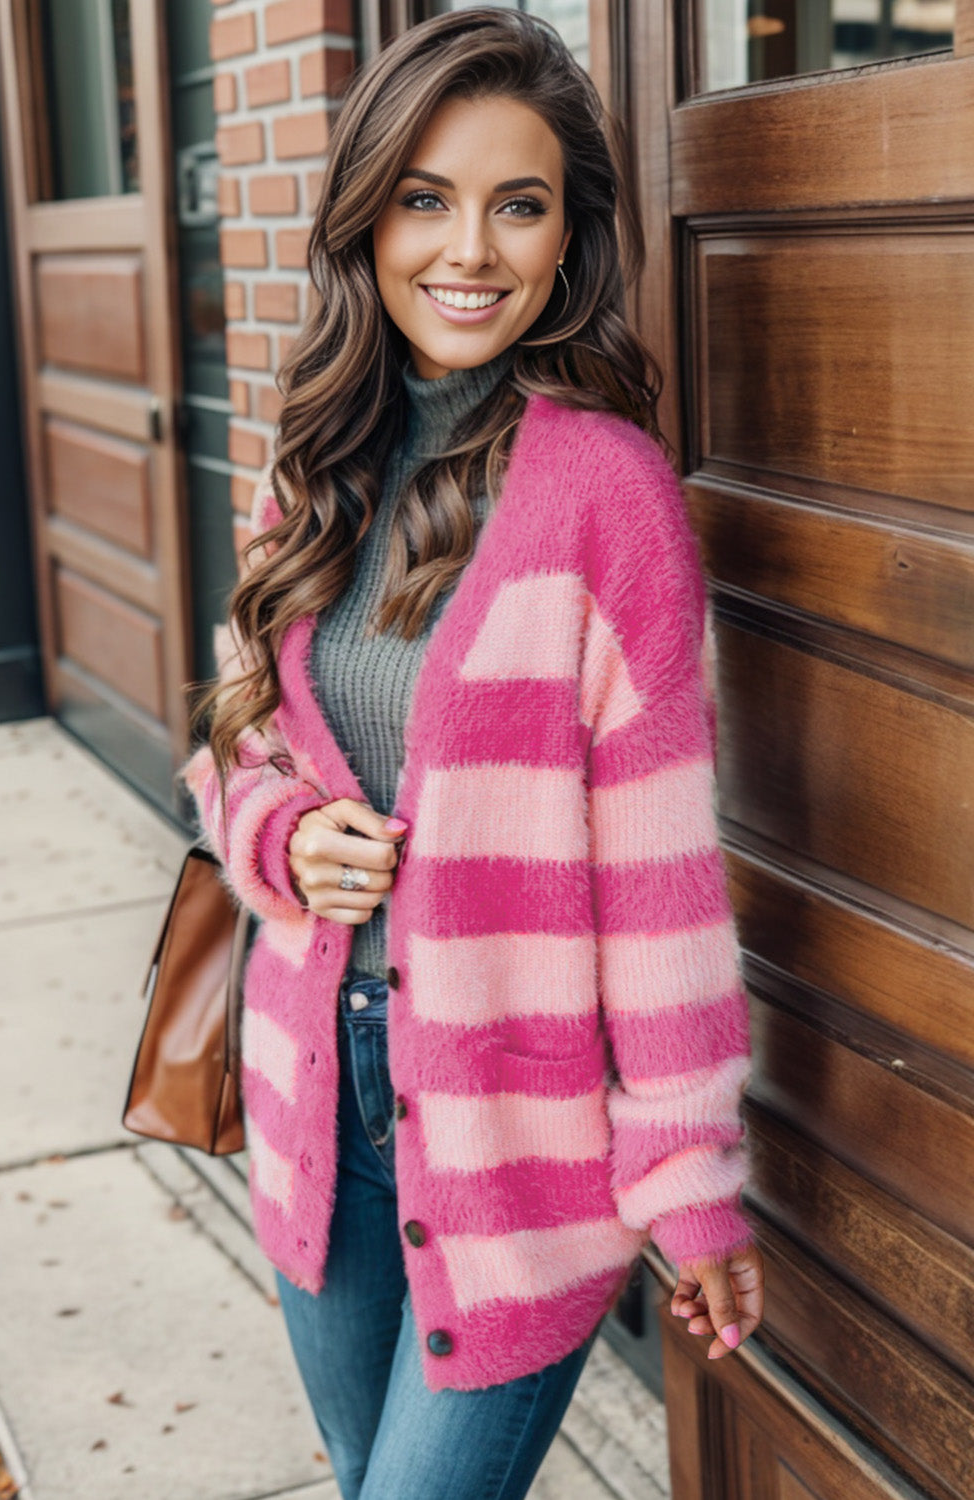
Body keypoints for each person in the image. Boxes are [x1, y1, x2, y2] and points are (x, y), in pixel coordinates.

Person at [184, 9, 764, 1498]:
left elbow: (663, 888)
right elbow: (233, 735)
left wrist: (690, 1183)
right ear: (368, 220)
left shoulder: (607, 498)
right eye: (426, 198)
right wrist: (279, 839)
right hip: (317, 1104)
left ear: (570, 240)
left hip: (518, 1147)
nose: (470, 250)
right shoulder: (314, 461)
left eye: (519, 205)